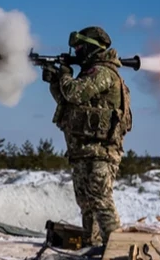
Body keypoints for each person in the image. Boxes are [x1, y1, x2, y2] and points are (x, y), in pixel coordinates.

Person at [42, 26, 132, 247]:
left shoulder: (102, 72)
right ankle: (94, 247)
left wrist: (64, 74)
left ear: (91, 48)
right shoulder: (89, 73)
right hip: (84, 151)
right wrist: (55, 81)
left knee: (101, 201)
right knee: (86, 203)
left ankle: (117, 252)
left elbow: (74, 92)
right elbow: (67, 102)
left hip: (100, 152)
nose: (76, 52)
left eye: (80, 47)